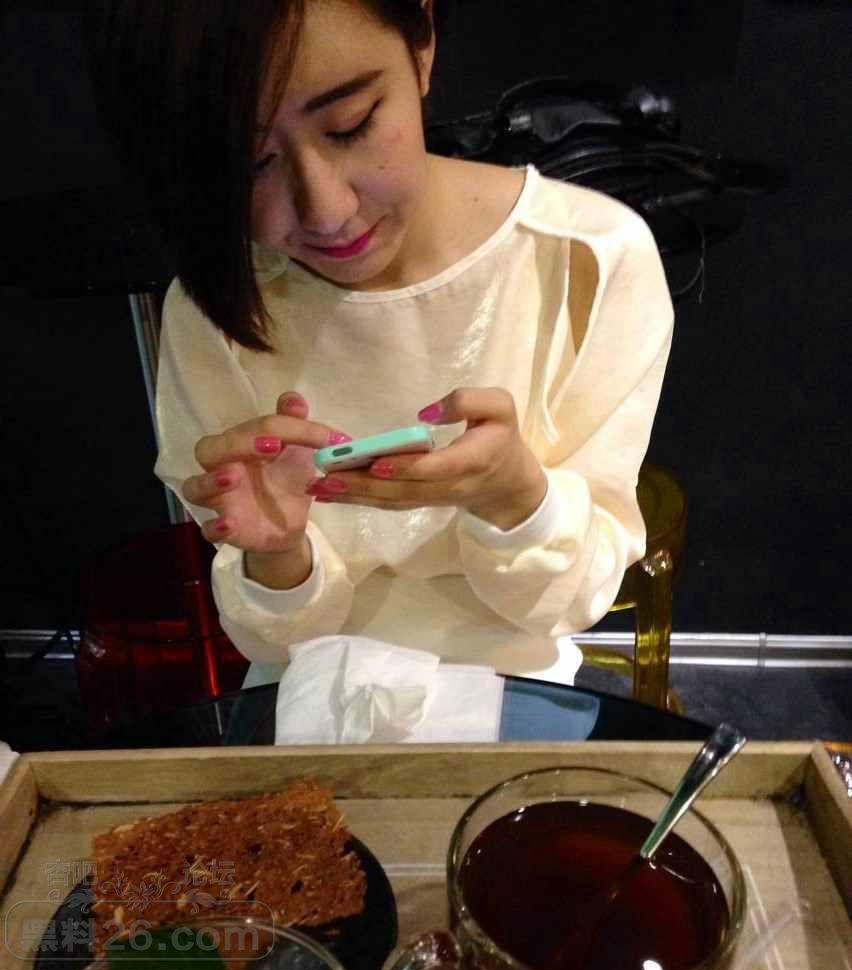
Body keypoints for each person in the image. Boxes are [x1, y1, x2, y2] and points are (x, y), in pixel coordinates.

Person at [95, 0, 673, 692]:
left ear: (421, 41)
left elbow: (572, 605)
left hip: (517, 685)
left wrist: (518, 498)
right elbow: (273, 642)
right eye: (250, 166)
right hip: (309, 689)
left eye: (351, 125)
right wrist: (277, 555)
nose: (327, 211)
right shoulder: (216, 308)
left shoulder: (588, 259)